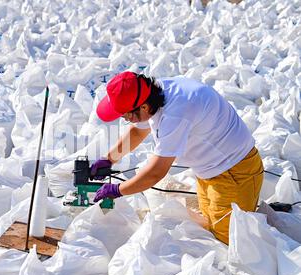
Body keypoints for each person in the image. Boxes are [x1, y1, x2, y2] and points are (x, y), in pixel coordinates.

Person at [91, 71, 263, 245]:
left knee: (229, 241)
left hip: (235, 172)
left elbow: (156, 173)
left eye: (127, 115)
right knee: (210, 226)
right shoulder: (154, 94)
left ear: (143, 107)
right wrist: (109, 159)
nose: (127, 119)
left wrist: (117, 190)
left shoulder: (175, 113)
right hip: (210, 171)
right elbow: (138, 131)